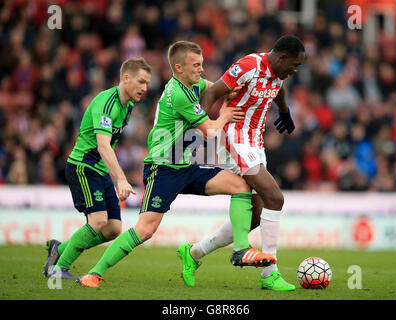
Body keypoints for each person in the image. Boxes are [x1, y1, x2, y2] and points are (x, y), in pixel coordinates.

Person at [79, 41, 276, 287]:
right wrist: (224, 115)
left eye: (202, 64)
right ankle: (94, 273)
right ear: (179, 68)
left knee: (240, 186)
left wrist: (230, 91)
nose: (201, 69)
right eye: (196, 65)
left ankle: (240, 250)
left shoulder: (193, 85)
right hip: (163, 169)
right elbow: (209, 131)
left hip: (186, 166)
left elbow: (214, 87)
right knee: (145, 230)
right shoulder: (179, 94)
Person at [178, 35, 305, 291]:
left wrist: (284, 111)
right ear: (282, 57)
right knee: (275, 197)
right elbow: (213, 92)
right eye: (294, 65)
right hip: (233, 138)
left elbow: (278, 88)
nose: (295, 70)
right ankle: (270, 274)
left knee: (256, 217)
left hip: (255, 143)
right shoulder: (248, 66)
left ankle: (193, 253)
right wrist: (201, 128)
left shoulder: (278, 75)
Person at [44, 58, 152, 279]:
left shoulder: (128, 105)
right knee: (98, 221)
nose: (145, 88)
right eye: (141, 81)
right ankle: (57, 269)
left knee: (113, 229)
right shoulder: (106, 103)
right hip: (83, 168)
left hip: (100, 171)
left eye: (147, 83)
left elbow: (111, 143)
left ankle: (60, 249)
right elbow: (103, 145)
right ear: (126, 77)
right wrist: (121, 179)